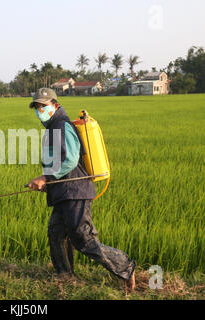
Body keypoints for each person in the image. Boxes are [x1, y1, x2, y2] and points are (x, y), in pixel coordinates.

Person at [27, 88, 136, 292]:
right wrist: (49, 184)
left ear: (55, 105)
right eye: (37, 107)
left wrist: (45, 178)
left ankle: (125, 267)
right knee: (57, 233)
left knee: (81, 237)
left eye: (44, 106)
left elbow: (68, 160)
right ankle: (65, 277)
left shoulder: (62, 126)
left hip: (75, 191)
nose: (40, 110)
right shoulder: (53, 127)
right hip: (63, 191)